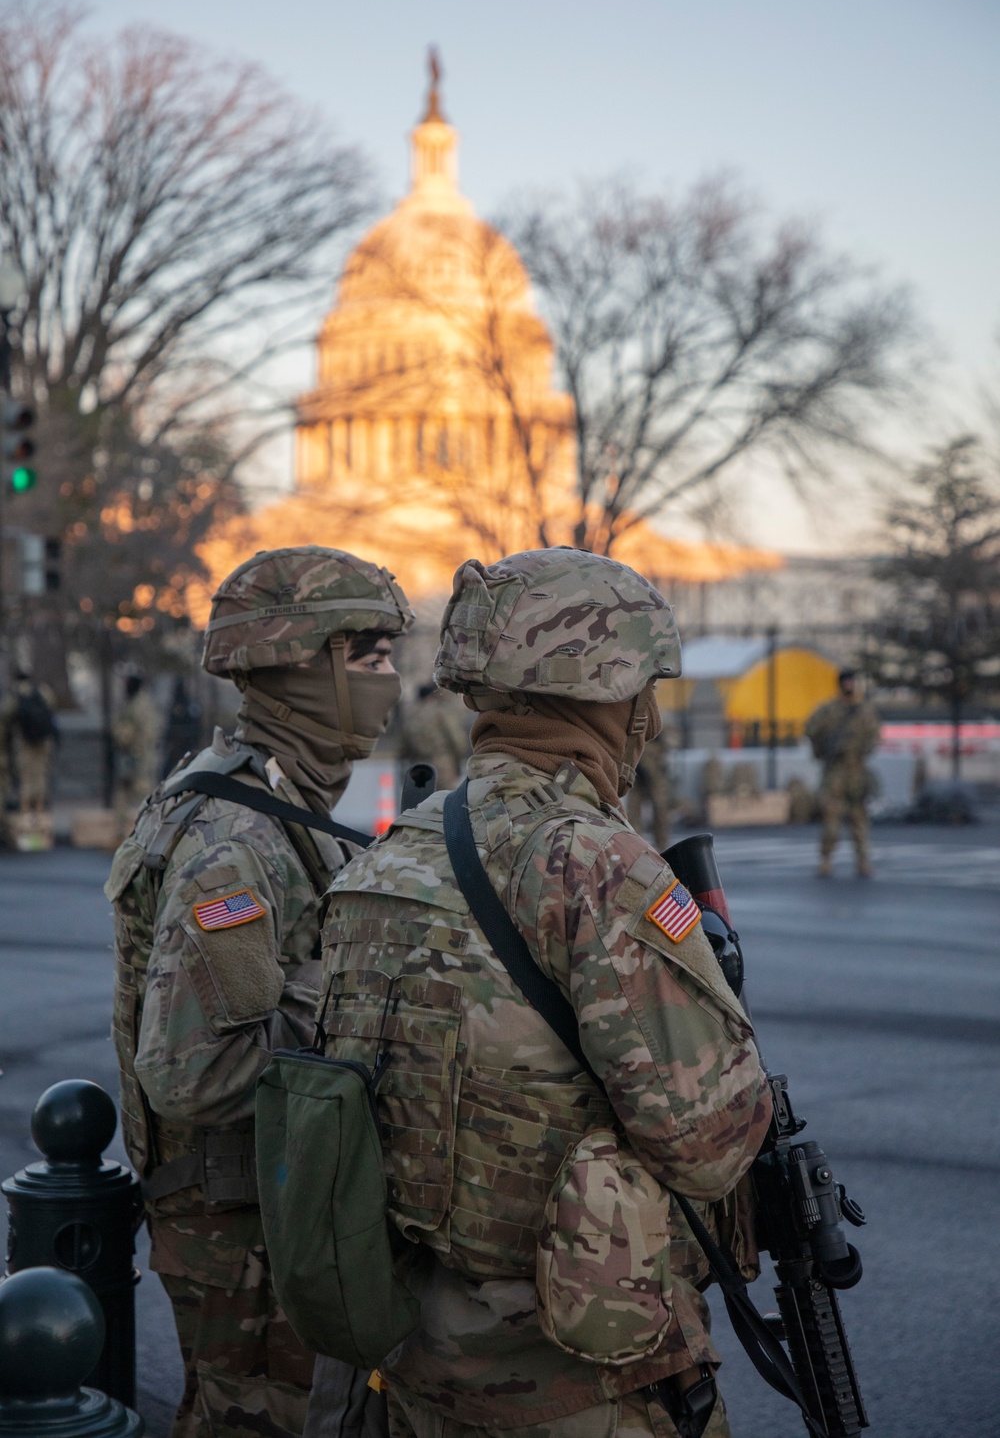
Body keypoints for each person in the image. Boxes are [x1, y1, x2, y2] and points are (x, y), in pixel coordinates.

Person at [317, 548, 771, 1438]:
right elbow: (708, 1143)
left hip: (418, 1351)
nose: (649, 716)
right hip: (575, 1375)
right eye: (643, 687)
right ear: (608, 695)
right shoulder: (598, 865)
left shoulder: (390, 853)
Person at [105, 546, 413, 1438]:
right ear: (304, 667)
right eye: (371, 659)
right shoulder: (237, 839)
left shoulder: (269, 799)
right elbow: (192, 1072)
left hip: (272, 1207)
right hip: (245, 1234)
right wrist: (365, 1046)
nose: (392, 680)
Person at [805, 668, 881, 878]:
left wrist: (861, 750)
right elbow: (811, 728)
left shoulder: (864, 710)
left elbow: (874, 736)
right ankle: (826, 859)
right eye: (847, 682)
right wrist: (823, 748)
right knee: (831, 816)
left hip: (856, 769)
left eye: (852, 682)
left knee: (859, 816)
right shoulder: (829, 710)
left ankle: (862, 860)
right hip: (835, 769)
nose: (850, 686)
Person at [395, 680, 471, 789]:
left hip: (419, 767)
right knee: (445, 801)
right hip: (442, 766)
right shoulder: (441, 714)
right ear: (431, 697)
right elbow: (456, 739)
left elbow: (402, 749)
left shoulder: (411, 717)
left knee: (422, 802)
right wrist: (458, 758)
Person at [2, 670, 58, 813]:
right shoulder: (42, 690)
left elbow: (6, 714)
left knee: (26, 776)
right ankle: (39, 809)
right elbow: (52, 709)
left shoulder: (16, 692)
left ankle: (25, 811)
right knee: (40, 774)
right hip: (44, 741)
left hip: (25, 741)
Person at [112, 671, 162, 815]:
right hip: (138, 756)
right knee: (136, 795)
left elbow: (126, 735)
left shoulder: (136, 706)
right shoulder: (140, 703)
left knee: (139, 795)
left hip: (137, 756)